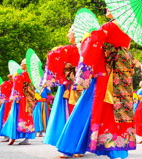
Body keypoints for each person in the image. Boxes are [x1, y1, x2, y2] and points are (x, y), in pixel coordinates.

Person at [56, 9, 138, 159]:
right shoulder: (128, 29)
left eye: (109, 6)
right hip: (121, 75)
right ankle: (116, 149)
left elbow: (93, 44)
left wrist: (86, 38)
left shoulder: (108, 27)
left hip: (105, 75)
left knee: (86, 108)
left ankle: (71, 145)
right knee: (116, 111)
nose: (106, 8)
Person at [41, 26, 81, 158]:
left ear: (75, 34)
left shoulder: (69, 49)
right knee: (79, 114)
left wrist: (61, 70)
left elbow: (52, 55)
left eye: (69, 32)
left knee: (69, 114)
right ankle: (78, 147)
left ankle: (69, 146)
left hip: (69, 86)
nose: (67, 35)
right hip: (83, 85)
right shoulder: (86, 48)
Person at [1, 59, 36, 145]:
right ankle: (27, 139)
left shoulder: (22, 75)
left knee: (16, 116)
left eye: (22, 63)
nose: (20, 65)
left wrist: (14, 77)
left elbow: (17, 84)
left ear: (26, 65)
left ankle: (13, 136)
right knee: (27, 117)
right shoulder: (33, 75)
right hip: (29, 99)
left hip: (21, 99)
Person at [0, 74, 13, 142]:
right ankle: (11, 135)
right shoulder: (17, 82)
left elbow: (2, 93)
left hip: (8, 102)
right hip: (15, 102)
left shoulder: (5, 83)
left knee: (6, 117)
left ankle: (7, 135)